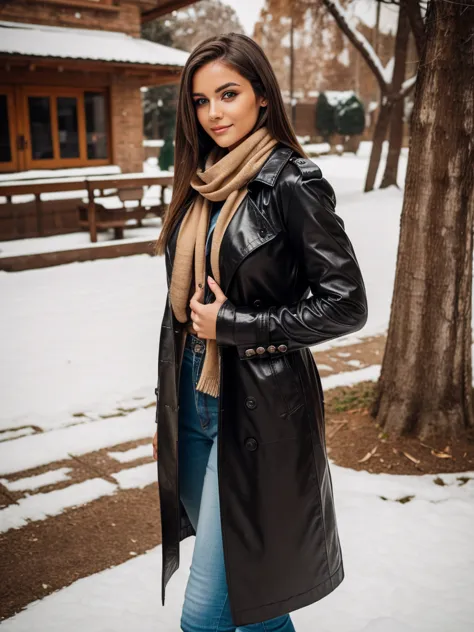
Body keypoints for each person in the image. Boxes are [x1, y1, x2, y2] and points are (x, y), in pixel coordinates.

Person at [152, 33, 368, 631]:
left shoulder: (293, 183)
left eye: (228, 94)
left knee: (205, 617)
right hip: (193, 405)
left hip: (258, 415)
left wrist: (236, 325)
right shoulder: (202, 185)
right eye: (200, 101)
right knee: (252, 605)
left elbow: (347, 303)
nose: (214, 113)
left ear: (262, 98)